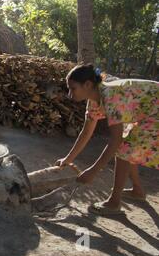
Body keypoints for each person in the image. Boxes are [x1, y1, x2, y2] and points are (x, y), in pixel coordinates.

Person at [56, 64, 159, 215]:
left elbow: (115, 141)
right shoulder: (94, 100)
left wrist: (93, 171)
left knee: (124, 149)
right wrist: (68, 159)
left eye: (73, 88)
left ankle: (113, 202)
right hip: (148, 112)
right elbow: (86, 132)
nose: (70, 94)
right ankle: (138, 191)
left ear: (88, 84)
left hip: (154, 113)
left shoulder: (111, 97)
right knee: (128, 145)